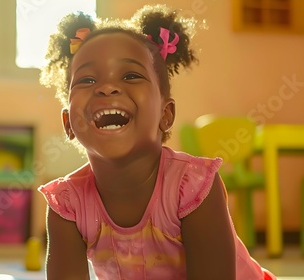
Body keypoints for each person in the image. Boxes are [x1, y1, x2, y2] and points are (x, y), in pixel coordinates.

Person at [37, 4, 276, 280]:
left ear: (166, 114)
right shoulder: (67, 205)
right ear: (68, 123)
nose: (106, 87)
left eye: (130, 75)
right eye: (87, 79)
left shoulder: (192, 187)